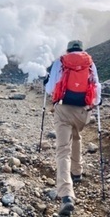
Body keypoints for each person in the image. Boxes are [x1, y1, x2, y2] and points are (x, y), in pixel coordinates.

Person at [45, 40, 101, 216]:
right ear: (81, 49)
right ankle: (77, 172)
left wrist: (46, 83)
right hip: (82, 111)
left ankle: (66, 195)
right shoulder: (89, 62)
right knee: (76, 137)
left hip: (63, 108)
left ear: (68, 49)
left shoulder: (60, 61)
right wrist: (92, 105)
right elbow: (96, 87)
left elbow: (50, 88)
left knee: (62, 150)